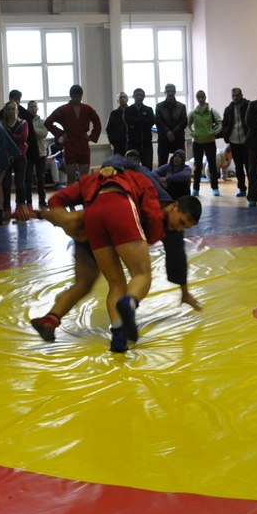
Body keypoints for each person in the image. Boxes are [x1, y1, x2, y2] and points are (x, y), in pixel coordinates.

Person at [26, 177, 202, 347]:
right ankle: (128, 305)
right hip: (106, 220)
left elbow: (177, 260)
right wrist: (114, 166)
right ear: (174, 206)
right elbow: (63, 204)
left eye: (184, 227)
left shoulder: (170, 226)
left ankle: (51, 319)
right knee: (139, 276)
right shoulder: (145, 190)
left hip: (91, 230)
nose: (179, 228)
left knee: (89, 284)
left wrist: (185, 292)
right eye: (181, 222)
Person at [42, 161, 166, 352]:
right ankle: (129, 303)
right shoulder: (137, 177)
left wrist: (67, 225)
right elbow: (153, 211)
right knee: (142, 274)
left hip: (92, 216)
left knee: (116, 283)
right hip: (120, 206)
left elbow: (55, 201)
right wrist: (151, 237)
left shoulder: (90, 179)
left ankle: (118, 337)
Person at [44, 85, 102, 183]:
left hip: (83, 142)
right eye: (75, 96)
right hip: (70, 143)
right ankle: (71, 193)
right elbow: (47, 122)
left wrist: (91, 137)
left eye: (79, 96)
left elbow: (97, 123)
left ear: (81, 95)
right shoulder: (63, 109)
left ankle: (83, 193)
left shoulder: (87, 109)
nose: (77, 98)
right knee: (70, 177)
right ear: (71, 96)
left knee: (84, 177)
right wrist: (61, 133)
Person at [187, 89, 222, 197]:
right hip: (197, 142)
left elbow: (220, 123)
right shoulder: (193, 112)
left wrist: (214, 132)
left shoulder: (211, 111)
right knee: (197, 167)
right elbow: (187, 125)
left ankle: (215, 188)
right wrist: (192, 133)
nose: (201, 99)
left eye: (202, 97)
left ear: (205, 97)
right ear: (197, 99)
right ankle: (195, 189)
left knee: (212, 166)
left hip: (210, 142)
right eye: (199, 97)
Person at [219, 87, 250, 196]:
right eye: (233, 96)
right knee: (238, 166)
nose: (235, 97)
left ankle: (254, 189)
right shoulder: (228, 109)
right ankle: (242, 189)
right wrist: (226, 135)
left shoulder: (248, 106)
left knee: (249, 166)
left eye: (237, 95)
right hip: (234, 141)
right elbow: (224, 124)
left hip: (246, 141)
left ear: (241, 95)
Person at [154, 83, 188, 169]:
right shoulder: (159, 106)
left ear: (175, 92)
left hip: (178, 139)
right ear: (165, 92)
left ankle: (180, 178)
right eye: (168, 91)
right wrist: (167, 132)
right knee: (162, 164)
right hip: (164, 139)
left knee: (180, 164)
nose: (170, 93)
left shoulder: (182, 106)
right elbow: (158, 121)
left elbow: (184, 122)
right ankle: (162, 178)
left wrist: (173, 133)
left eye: (172, 91)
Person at [124, 88, 156, 161]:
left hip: (146, 144)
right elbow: (128, 120)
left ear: (144, 96)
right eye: (137, 95)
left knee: (147, 166)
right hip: (132, 144)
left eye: (141, 95)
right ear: (133, 96)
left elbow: (151, 122)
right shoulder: (128, 110)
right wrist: (143, 121)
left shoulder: (149, 109)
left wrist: (135, 124)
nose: (139, 97)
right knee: (131, 166)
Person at [106, 91, 130, 156]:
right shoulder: (114, 113)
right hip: (118, 144)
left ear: (127, 99)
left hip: (130, 142)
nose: (122, 99)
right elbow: (109, 128)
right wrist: (112, 141)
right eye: (120, 97)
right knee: (118, 161)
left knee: (130, 161)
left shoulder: (132, 111)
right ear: (117, 100)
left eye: (124, 97)